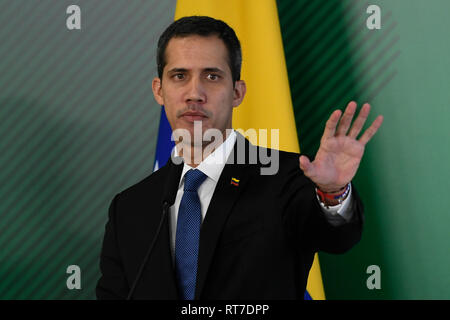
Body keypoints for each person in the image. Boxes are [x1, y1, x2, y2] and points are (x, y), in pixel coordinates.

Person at [96, 16, 383, 300]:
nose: (194, 93)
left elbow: (337, 238)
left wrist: (332, 192)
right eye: (179, 76)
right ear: (159, 90)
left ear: (237, 92)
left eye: (212, 76)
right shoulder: (129, 209)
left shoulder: (286, 178)